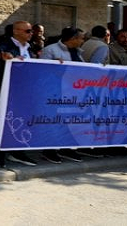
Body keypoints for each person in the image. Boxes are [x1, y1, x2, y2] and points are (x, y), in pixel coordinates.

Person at [0, 20, 38, 167]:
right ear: (16, 31)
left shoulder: (31, 47)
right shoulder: (4, 45)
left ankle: (17, 152)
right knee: (4, 120)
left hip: (25, 91)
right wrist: (6, 57)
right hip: (8, 90)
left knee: (23, 121)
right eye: (27, 31)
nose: (31, 34)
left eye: (31, 31)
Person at [40, 27, 87, 164]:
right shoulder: (51, 50)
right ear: (73, 39)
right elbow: (41, 70)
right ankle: (49, 150)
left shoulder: (77, 52)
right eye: (81, 38)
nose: (83, 41)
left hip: (73, 93)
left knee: (69, 121)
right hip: (55, 93)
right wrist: (54, 66)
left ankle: (66, 148)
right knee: (54, 121)